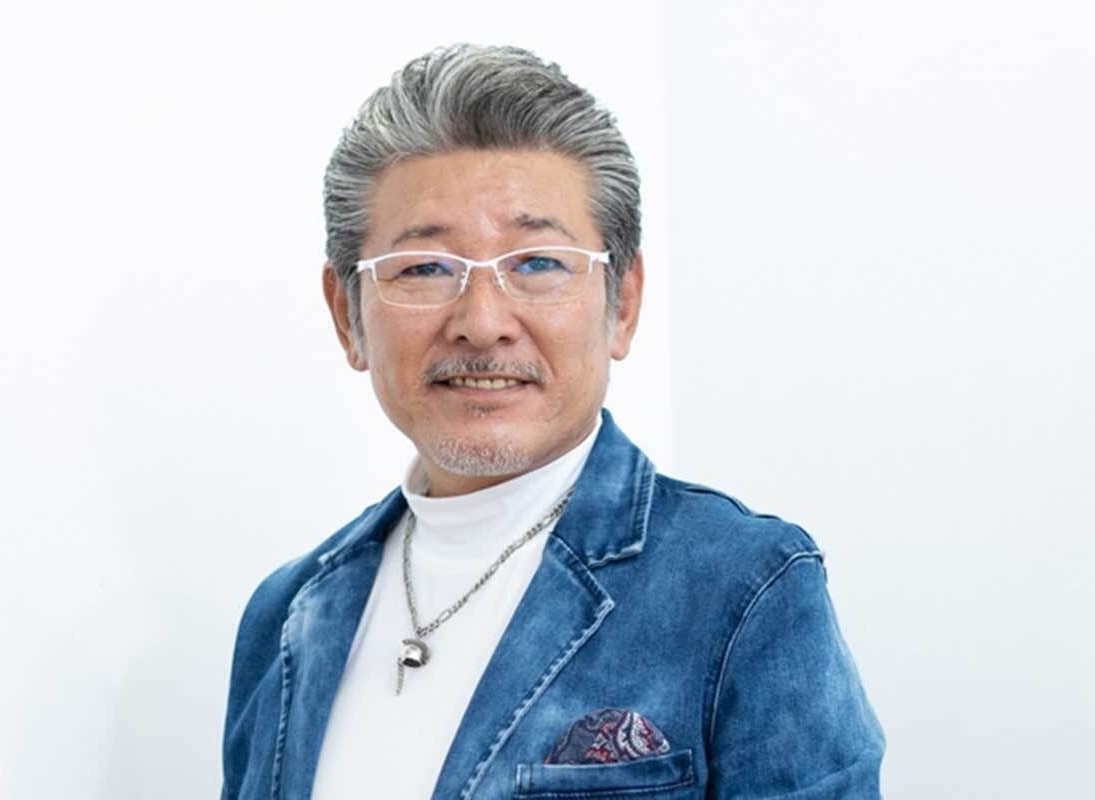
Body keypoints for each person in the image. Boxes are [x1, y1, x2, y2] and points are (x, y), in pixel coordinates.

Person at [220, 44, 884, 800]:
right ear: (348, 316)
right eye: (425, 267)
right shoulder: (287, 615)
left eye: (537, 263)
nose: (482, 323)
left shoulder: (743, 589)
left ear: (621, 303)